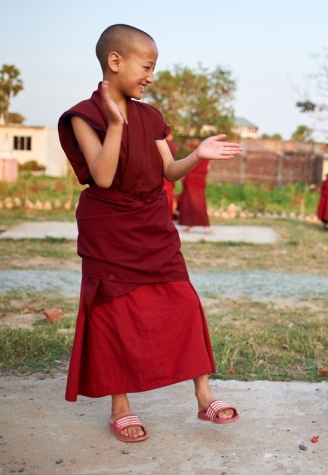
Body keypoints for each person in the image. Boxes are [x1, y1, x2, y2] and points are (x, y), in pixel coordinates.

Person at [57, 24, 243, 443]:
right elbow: (102, 178)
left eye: (154, 68)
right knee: (114, 315)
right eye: (147, 66)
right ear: (115, 61)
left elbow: (168, 171)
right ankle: (120, 406)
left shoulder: (152, 115)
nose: (151, 77)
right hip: (111, 227)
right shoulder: (84, 116)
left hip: (152, 225)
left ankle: (203, 396)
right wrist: (116, 125)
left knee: (183, 302)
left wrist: (197, 154)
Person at [178, 138, 213, 234]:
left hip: (190, 181)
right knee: (200, 203)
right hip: (200, 182)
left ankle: (193, 227)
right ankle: (202, 227)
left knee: (190, 203)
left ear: (192, 147)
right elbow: (208, 168)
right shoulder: (205, 157)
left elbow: (185, 168)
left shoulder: (190, 156)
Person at [162, 132, 178, 219]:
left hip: (158, 173)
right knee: (168, 196)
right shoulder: (172, 146)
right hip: (168, 173)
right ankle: (168, 218)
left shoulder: (156, 143)